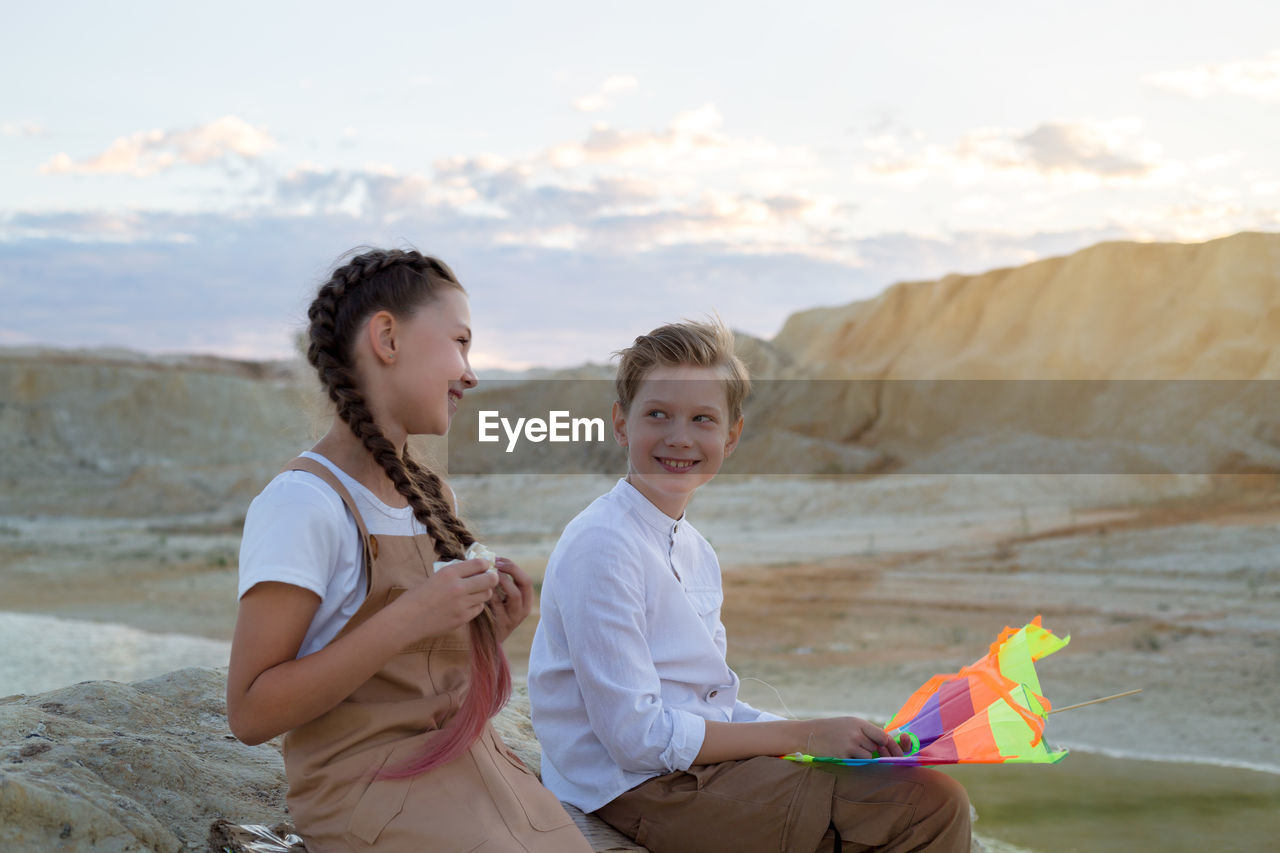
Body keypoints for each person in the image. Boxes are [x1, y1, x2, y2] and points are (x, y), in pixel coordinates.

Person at [528, 320, 971, 852]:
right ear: (622, 424)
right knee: (926, 806)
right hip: (633, 788)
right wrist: (802, 736)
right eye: (658, 415)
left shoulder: (695, 550)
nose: (680, 437)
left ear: (731, 436)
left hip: (688, 769)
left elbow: (712, 703)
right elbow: (635, 740)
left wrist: (834, 734)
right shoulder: (603, 543)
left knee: (911, 788)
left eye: (702, 419)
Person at [226, 248, 591, 853]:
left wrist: (484, 631)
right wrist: (414, 617)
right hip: (369, 795)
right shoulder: (303, 503)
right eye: (460, 342)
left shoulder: (431, 492)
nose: (471, 373)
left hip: (469, 770)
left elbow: (412, 679)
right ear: (388, 338)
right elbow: (250, 712)